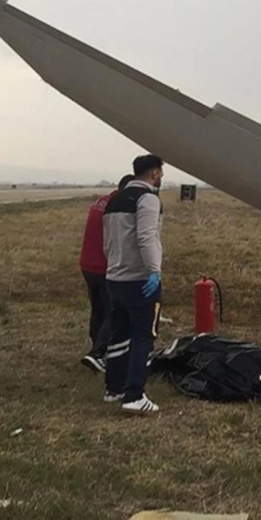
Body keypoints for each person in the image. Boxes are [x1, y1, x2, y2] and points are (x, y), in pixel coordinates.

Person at [101, 154, 165, 414]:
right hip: (139, 280)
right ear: (154, 174)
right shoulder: (148, 198)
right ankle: (134, 395)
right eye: (160, 172)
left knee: (118, 334)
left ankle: (113, 389)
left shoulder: (114, 200)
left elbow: (108, 242)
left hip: (114, 277)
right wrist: (154, 271)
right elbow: (147, 236)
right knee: (143, 337)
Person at [79, 174, 135, 373]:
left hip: (87, 264)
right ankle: (98, 353)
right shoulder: (118, 206)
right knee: (115, 310)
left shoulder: (100, 201)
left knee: (98, 309)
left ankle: (96, 349)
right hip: (105, 266)